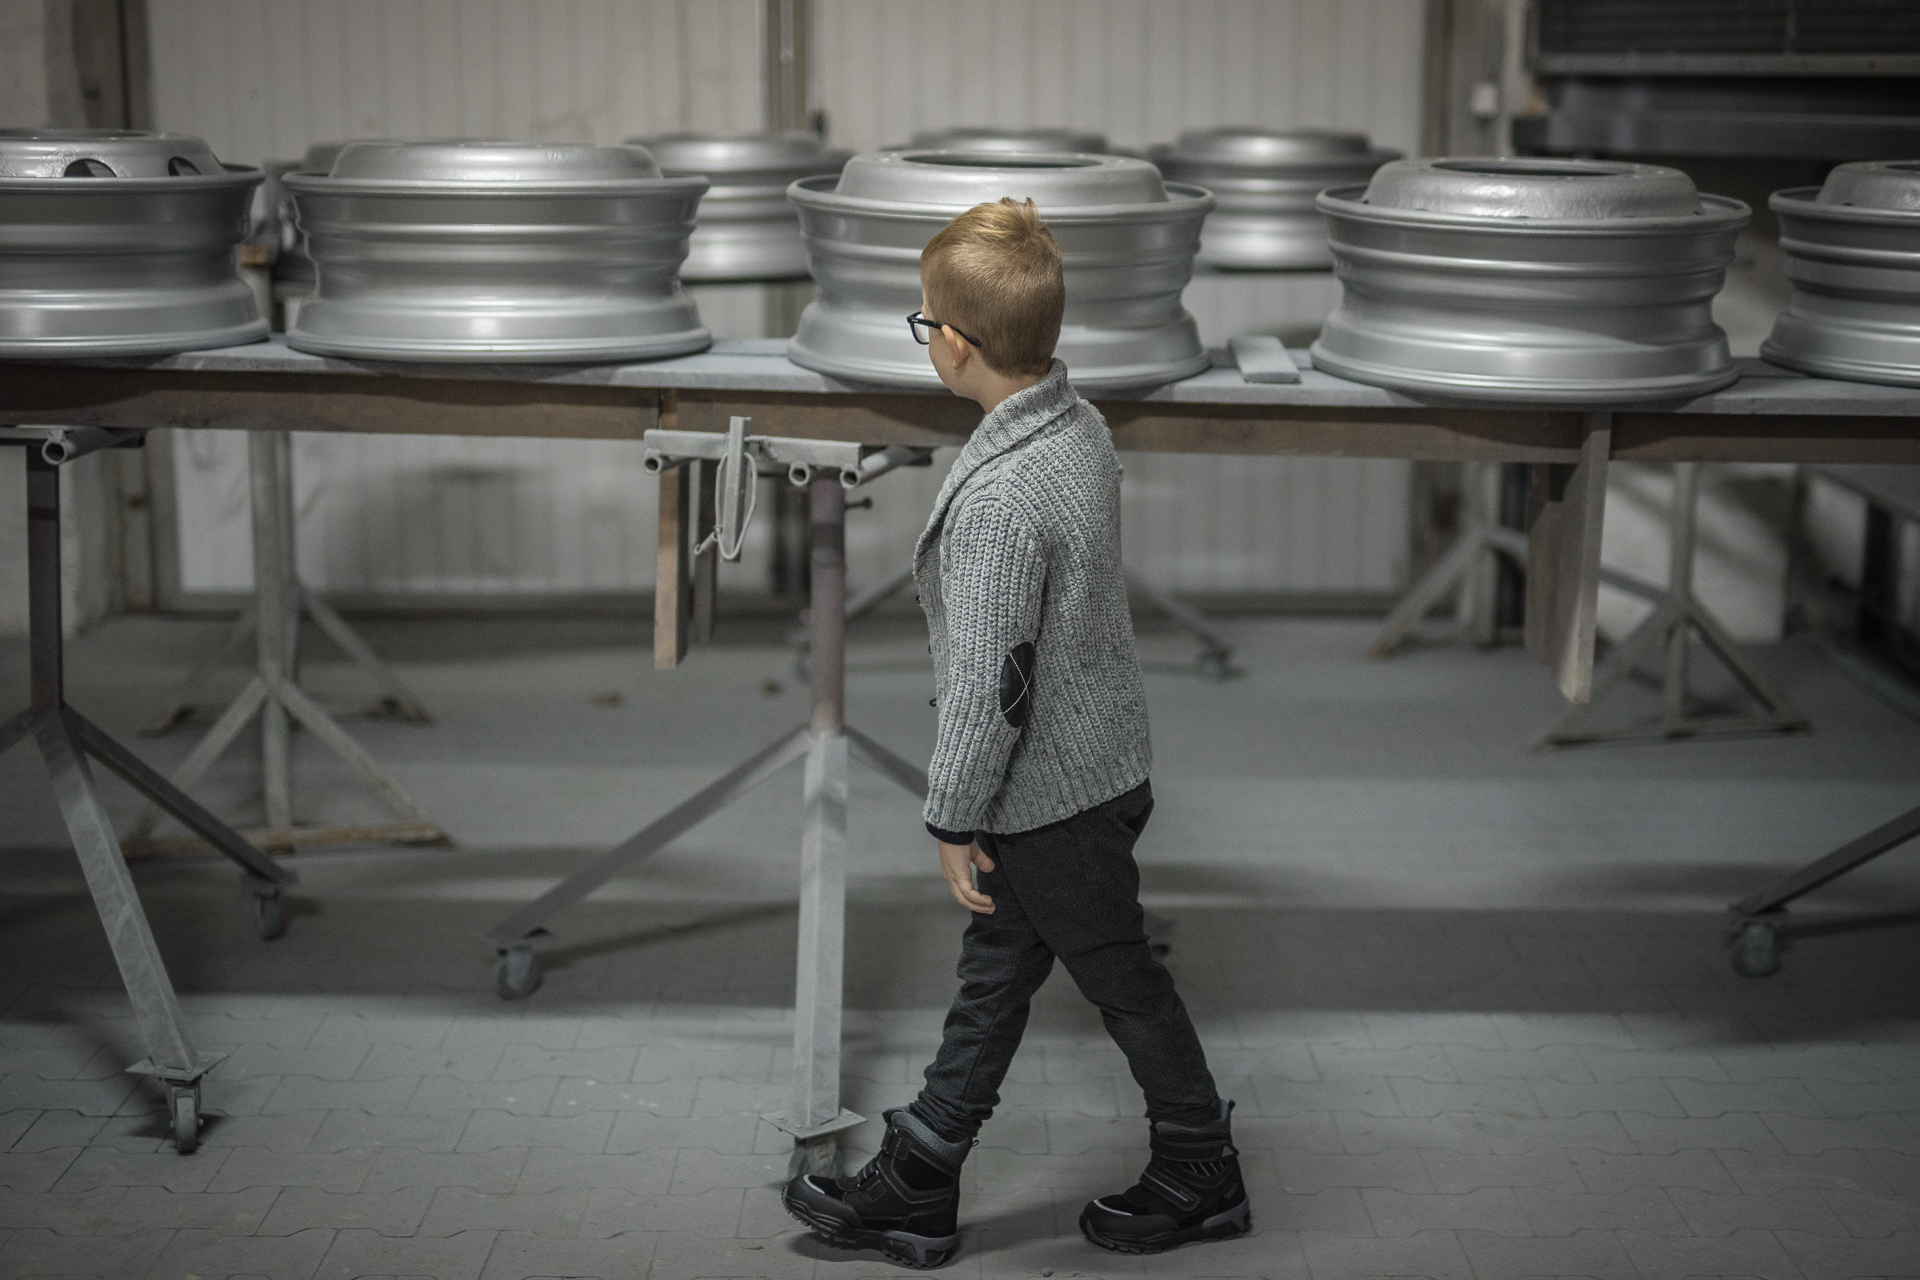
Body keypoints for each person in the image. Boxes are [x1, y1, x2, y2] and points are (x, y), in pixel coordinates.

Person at [781, 196, 1249, 1269]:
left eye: (922, 323)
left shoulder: (1000, 500)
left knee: (1120, 977)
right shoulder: (1072, 424)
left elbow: (993, 686)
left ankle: (1200, 1163)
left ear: (954, 343)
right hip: (1096, 761)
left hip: (1052, 794)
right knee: (995, 978)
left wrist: (951, 815)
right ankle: (923, 1174)